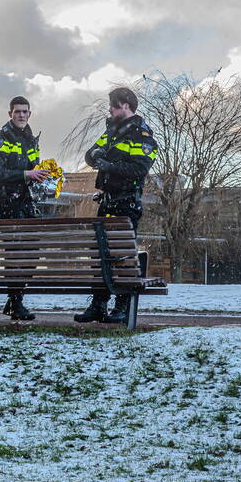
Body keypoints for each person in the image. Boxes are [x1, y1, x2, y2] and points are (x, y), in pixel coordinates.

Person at [74, 86, 158, 324]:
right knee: (101, 254)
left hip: (127, 202)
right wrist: (98, 156)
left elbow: (139, 169)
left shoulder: (142, 136)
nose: (110, 110)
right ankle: (98, 305)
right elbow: (91, 155)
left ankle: (121, 306)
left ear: (126, 106)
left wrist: (109, 165)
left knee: (123, 256)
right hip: (107, 201)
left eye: (113, 105)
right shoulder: (111, 131)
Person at [0, 96, 51, 320]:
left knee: (32, 252)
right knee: (15, 253)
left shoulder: (31, 139)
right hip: (9, 203)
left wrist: (45, 174)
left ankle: (15, 298)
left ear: (29, 114)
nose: (21, 115)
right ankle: (16, 302)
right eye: (17, 112)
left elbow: (34, 169)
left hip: (28, 202)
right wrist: (27, 174)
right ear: (10, 114)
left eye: (25, 111)